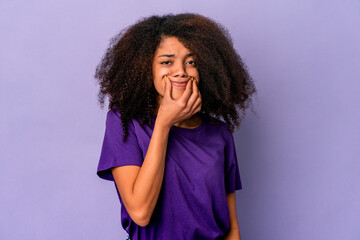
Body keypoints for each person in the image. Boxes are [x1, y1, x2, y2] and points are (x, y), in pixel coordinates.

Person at [95, 13, 256, 240]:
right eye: (166, 62)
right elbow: (140, 212)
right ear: (145, 68)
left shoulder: (219, 134)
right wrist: (163, 123)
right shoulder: (124, 123)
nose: (181, 70)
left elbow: (231, 227)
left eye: (191, 62)